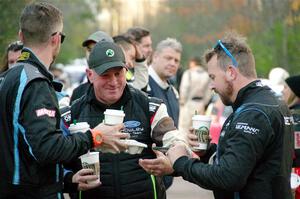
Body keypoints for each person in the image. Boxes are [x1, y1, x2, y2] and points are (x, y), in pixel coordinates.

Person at [142, 32, 294, 199]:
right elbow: (250, 163)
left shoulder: (253, 113)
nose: (211, 86)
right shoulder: (270, 101)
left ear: (231, 72)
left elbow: (228, 177)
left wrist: (181, 163)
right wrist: (207, 151)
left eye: (213, 77)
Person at [0, 2, 128, 198]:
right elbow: (47, 149)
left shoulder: (10, 76)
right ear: (56, 39)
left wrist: (68, 181)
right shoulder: (35, 83)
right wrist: (94, 137)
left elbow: (26, 150)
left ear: (21, 36)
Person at [63, 41, 186, 199]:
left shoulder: (150, 106)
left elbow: (174, 140)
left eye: (118, 73)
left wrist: (172, 165)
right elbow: (53, 159)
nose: (113, 82)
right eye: (105, 75)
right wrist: (69, 180)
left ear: (126, 71)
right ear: (89, 75)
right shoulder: (72, 114)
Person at [70, 31, 113, 103]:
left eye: (97, 49)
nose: (91, 54)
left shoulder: (118, 89)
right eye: (89, 50)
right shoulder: (78, 92)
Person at [179, 56, 211, 135]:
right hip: (200, 104)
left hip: (188, 104)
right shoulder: (207, 75)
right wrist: (204, 103)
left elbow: (184, 89)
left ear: (193, 63)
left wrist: (182, 102)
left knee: (184, 128)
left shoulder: (188, 73)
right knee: (198, 128)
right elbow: (208, 92)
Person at [282, 75, 300, 198]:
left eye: (286, 87)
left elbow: (294, 153)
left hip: (293, 178)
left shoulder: (293, 119)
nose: (282, 90)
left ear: (294, 92)